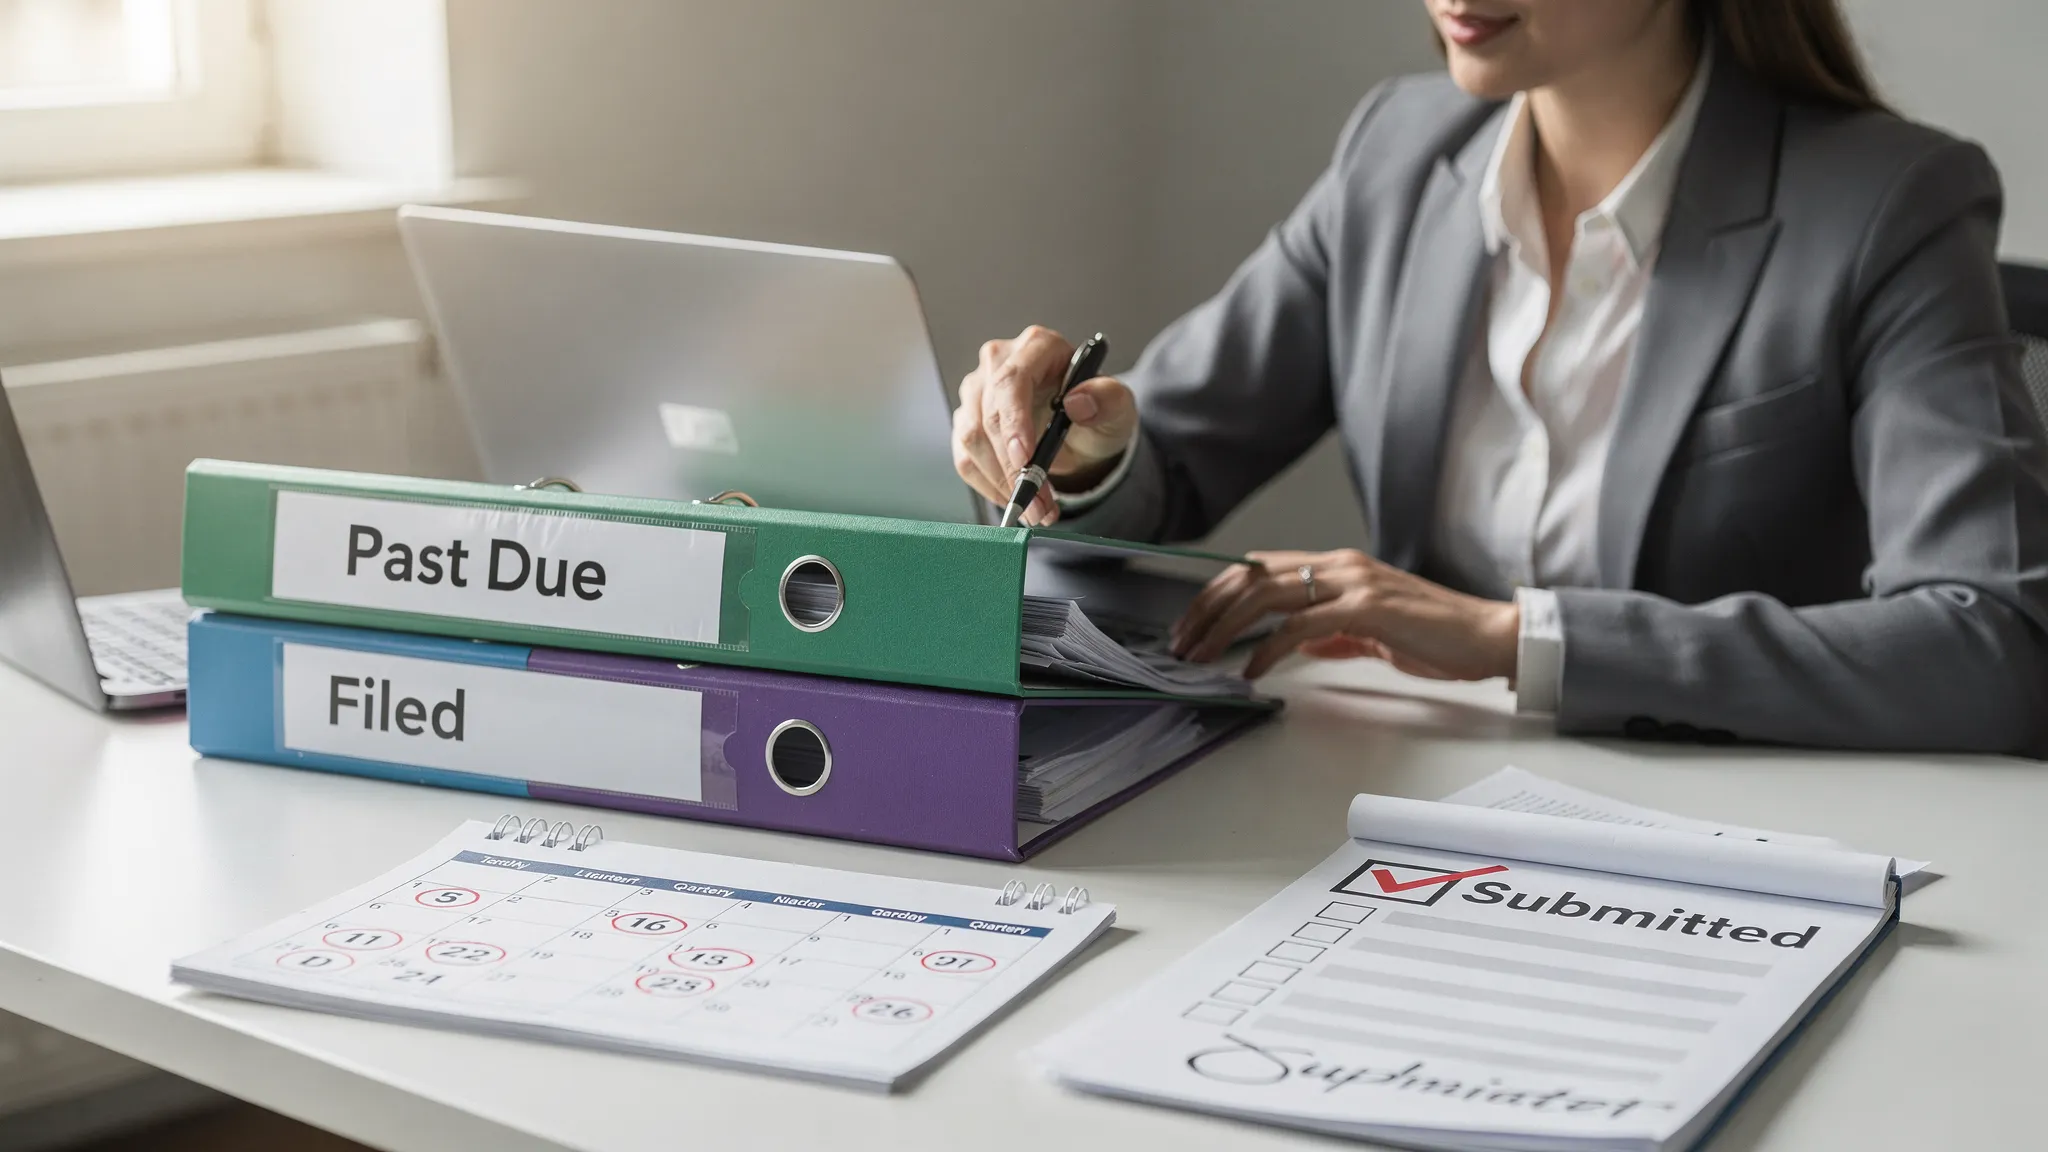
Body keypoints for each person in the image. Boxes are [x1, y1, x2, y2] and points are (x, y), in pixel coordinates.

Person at [951, 0, 2048, 755]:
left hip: (1742, 852)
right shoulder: (1395, 152)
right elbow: (1169, 461)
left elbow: (1990, 645)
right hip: (1420, 818)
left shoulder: (1889, 205)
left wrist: (1510, 634)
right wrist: (1082, 450)